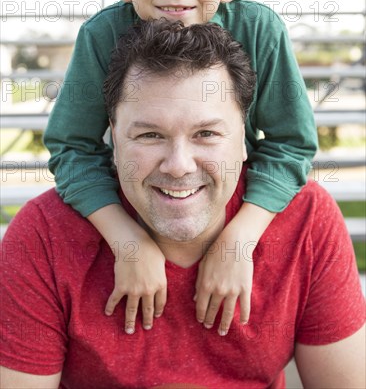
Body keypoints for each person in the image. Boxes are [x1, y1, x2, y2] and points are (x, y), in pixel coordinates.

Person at [1, 21, 364, 389]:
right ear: (113, 134)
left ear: (243, 136)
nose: (178, 165)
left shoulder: (306, 220)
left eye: (206, 134)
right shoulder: (44, 235)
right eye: (149, 135)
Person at [43, 0, 318, 335]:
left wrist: (238, 242)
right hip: (140, 195)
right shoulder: (101, 36)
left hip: (221, 200)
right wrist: (127, 242)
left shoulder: (260, 31)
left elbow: (291, 143)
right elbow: (72, 147)